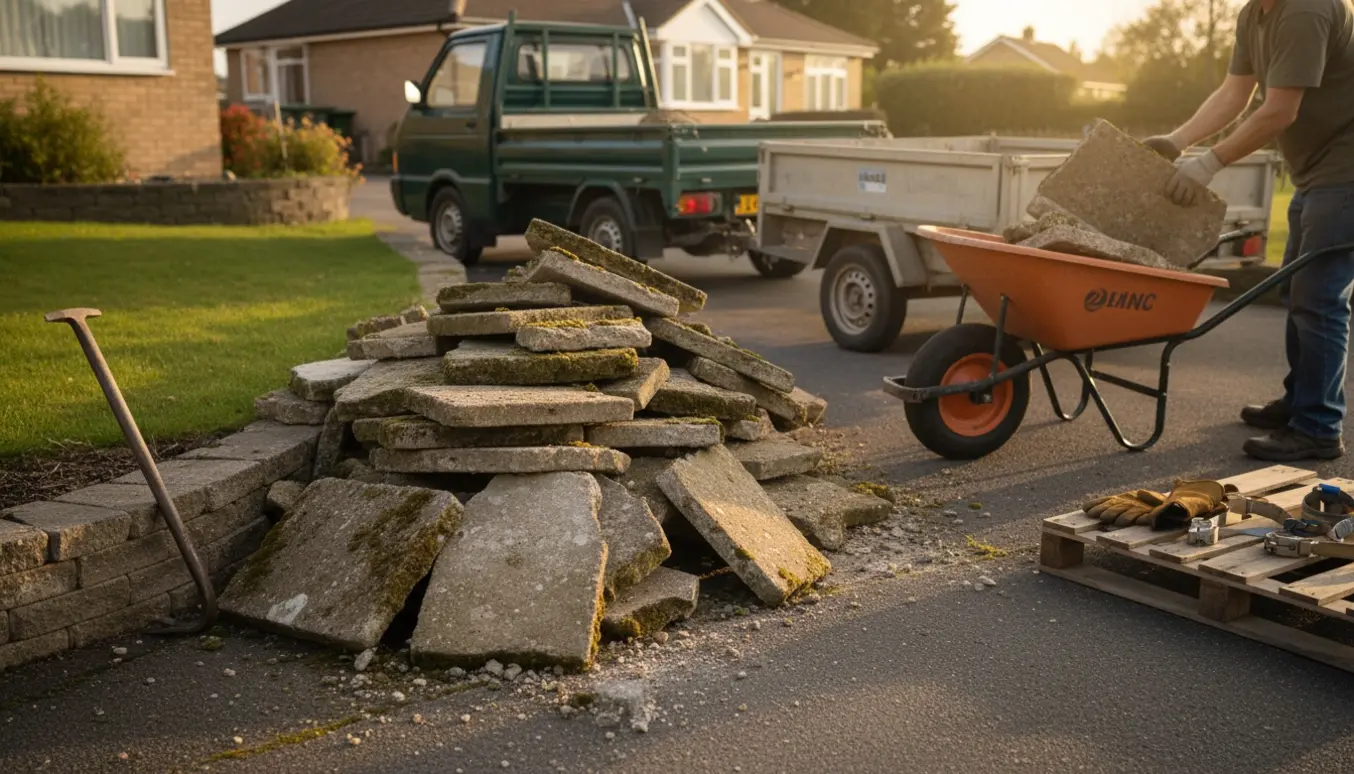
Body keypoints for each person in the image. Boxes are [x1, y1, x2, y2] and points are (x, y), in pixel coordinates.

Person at [1145, 0, 1354, 462]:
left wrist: (1210, 162)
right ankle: (1301, 404)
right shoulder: (1255, 14)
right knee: (1298, 294)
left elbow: (1280, 111)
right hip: (1316, 176)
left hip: (1344, 177)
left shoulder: (1306, 9)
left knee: (1319, 300)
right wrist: (1178, 142)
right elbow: (1234, 94)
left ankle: (1318, 425)